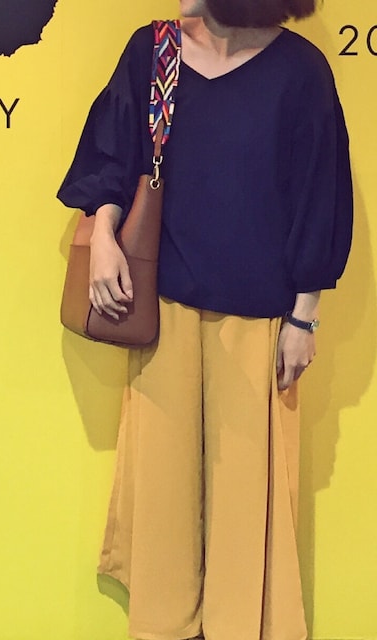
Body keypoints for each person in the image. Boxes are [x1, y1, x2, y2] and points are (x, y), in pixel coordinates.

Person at [57, 1, 353, 639]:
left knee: (247, 499)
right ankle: (162, 627)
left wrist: (305, 318)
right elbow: (113, 154)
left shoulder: (301, 72)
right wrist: (102, 234)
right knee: (162, 494)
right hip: (163, 311)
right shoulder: (154, 51)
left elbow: (319, 193)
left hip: (259, 320)